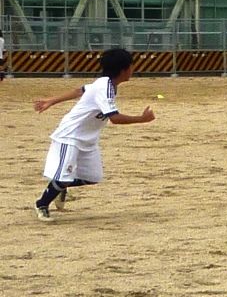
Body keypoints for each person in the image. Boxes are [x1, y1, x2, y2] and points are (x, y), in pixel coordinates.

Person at [32, 48, 156, 221]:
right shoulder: (104, 87)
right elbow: (115, 118)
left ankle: (60, 186)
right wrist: (142, 119)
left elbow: (80, 90)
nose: (132, 70)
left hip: (88, 139)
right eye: (131, 66)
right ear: (124, 69)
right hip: (70, 136)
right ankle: (42, 204)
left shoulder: (106, 84)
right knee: (63, 177)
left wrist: (52, 100)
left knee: (92, 178)